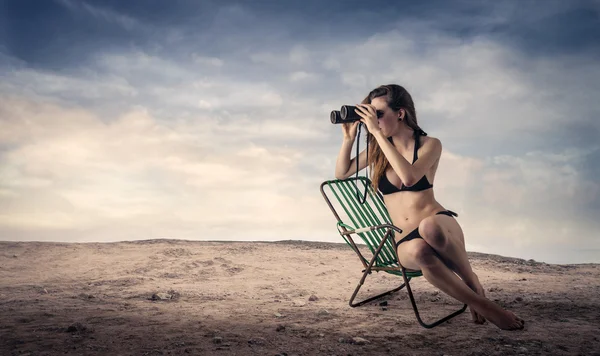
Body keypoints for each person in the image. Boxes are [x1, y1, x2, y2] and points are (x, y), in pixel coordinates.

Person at [334, 84, 525, 330]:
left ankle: (472, 281)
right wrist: (349, 139)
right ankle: (484, 305)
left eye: (378, 114)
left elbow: (409, 177)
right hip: (404, 240)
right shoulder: (377, 150)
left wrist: (378, 135)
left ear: (400, 113)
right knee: (421, 253)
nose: (374, 121)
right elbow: (342, 173)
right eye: (370, 114)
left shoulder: (430, 145)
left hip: (438, 224)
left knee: (429, 227)